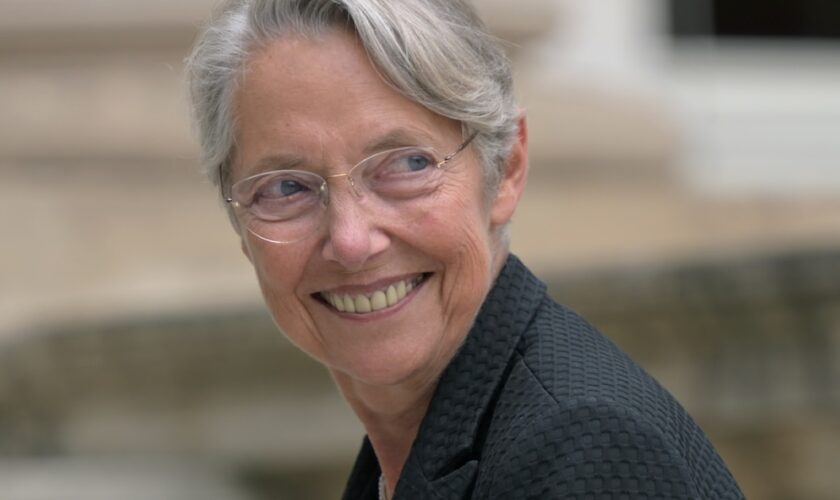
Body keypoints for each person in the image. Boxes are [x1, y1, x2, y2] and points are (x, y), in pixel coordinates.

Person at [186, 1, 744, 498]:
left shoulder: (580, 447)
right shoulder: (414, 448)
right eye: (286, 187)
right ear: (240, 226)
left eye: (407, 165)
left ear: (507, 170)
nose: (352, 241)